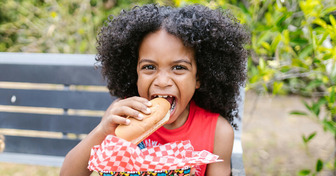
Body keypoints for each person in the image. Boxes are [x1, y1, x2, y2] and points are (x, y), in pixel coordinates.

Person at [60, 4, 249, 176]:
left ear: (198, 77)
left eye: (179, 68)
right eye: (149, 67)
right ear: (135, 72)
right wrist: (102, 131)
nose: (163, 81)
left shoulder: (218, 132)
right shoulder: (124, 116)